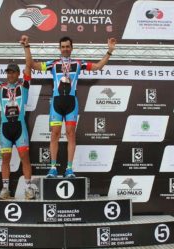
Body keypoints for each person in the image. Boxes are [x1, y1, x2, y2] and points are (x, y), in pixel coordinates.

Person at [31, 36, 117, 178]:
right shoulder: (53, 64)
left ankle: (69, 169)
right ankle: (53, 168)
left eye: (67, 46)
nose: (65, 49)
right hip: (57, 103)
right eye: (63, 46)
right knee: (54, 134)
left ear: (72, 48)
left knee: (71, 135)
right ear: (60, 48)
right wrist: (26, 48)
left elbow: (98, 67)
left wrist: (109, 51)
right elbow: (33, 65)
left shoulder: (78, 63)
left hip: (71, 103)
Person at [0, 35, 35, 200]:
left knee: (25, 158)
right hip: (5, 127)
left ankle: (28, 188)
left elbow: (29, 65)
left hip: (20, 126)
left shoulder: (23, 86)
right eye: (8, 72)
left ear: (18, 74)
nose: (9, 75)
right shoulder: (0, 87)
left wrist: (26, 47)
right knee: (5, 158)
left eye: (12, 72)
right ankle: (5, 189)